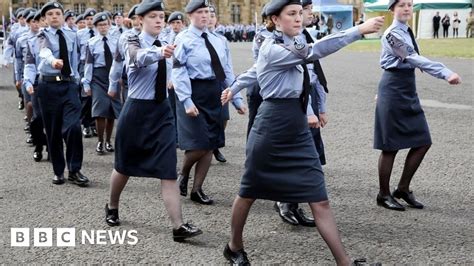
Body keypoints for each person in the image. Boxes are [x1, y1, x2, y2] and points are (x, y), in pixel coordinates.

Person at [220, 0, 384, 264]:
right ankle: (234, 246)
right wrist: (357, 30)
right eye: (291, 14)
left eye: (300, 13)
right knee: (249, 191)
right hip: (271, 127)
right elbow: (314, 51)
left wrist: (235, 86)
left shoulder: (291, 43)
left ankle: (345, 262)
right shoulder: (272, 48)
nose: (299, 18)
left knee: (320, 199)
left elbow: (256, 72)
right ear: (274, 19)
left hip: (297, 127)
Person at [104, 0, 202, 242]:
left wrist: (187, 100)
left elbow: (178, 69)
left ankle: (178, 227)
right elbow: (136, 58)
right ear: (140, 20)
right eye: (153, 17)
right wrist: (160, 52)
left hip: (162, 111)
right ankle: (112, 206)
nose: (159, 20)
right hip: (136, 111)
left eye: (161, 16)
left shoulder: (167, 43)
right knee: (123, 167)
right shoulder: (131, 40)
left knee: (168, 170)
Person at [374, 0, 461, 211]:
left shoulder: (406, 30)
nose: (406, 8)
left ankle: (402, 188)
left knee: (423, 141)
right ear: (392, 9)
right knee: (390, 146)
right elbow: (412, 58)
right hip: (393, 89)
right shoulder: (392, 34)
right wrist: (445, 72)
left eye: (409, 4)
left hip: (406, 89)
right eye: (401, 4)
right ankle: (383, 194)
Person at [172, 0, 246, 205]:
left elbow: (227, 71)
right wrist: (186, 100)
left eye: (207, 12)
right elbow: (178, 72)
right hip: (193, 91)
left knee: (211, 143)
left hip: (215, 92)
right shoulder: (183, 39)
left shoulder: (219, 40)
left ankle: (197, 189)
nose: (204, 15)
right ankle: (183, 173)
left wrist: (236, 97)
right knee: (199, 144)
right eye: (200, 12)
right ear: (190, 16)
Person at [34, 1, 89, 186]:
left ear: (63, 16)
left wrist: (78, 79)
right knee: (53, 131)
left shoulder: (71, 35)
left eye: (57, 13)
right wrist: (53, 61)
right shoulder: (42, 35)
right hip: (48, 87)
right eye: (50, 14)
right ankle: (58, 171)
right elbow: (44, 52)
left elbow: (76, 58)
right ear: (45, 18)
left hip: (68, 85)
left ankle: (74, 169)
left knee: (74, 127)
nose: (54, 16)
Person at [82, 12, 122, 155]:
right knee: (100, 110)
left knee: (111, 111)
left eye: (105, 24)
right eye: (100, 25)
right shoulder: (91, 43)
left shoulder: (116, 41)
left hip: (113, 76)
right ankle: (100, 140)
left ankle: (108, 141)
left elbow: (120, 61)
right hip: (98, 77)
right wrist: (86, 83)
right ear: (96, 26)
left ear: (109, 25)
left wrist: (121, 77)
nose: (103, 27)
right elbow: (88, 64)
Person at [108, 4, 141, 103]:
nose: (137, 21)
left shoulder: (156, 35)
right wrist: (113, 85)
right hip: (130, 79)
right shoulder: (124, 37)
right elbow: (117, 62)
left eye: (140, 18)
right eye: (134, 18)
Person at [77, 8, 98, 138]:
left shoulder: (100, 33)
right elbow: (76, 53)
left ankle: (94, 124)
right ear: (84, 21)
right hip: (83, 65)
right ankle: (85, 124)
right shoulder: (79, 34)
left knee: (95, 97)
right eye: (88, 19)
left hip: (96, 66)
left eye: (92, 19)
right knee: (85, 96)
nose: (90, 21)